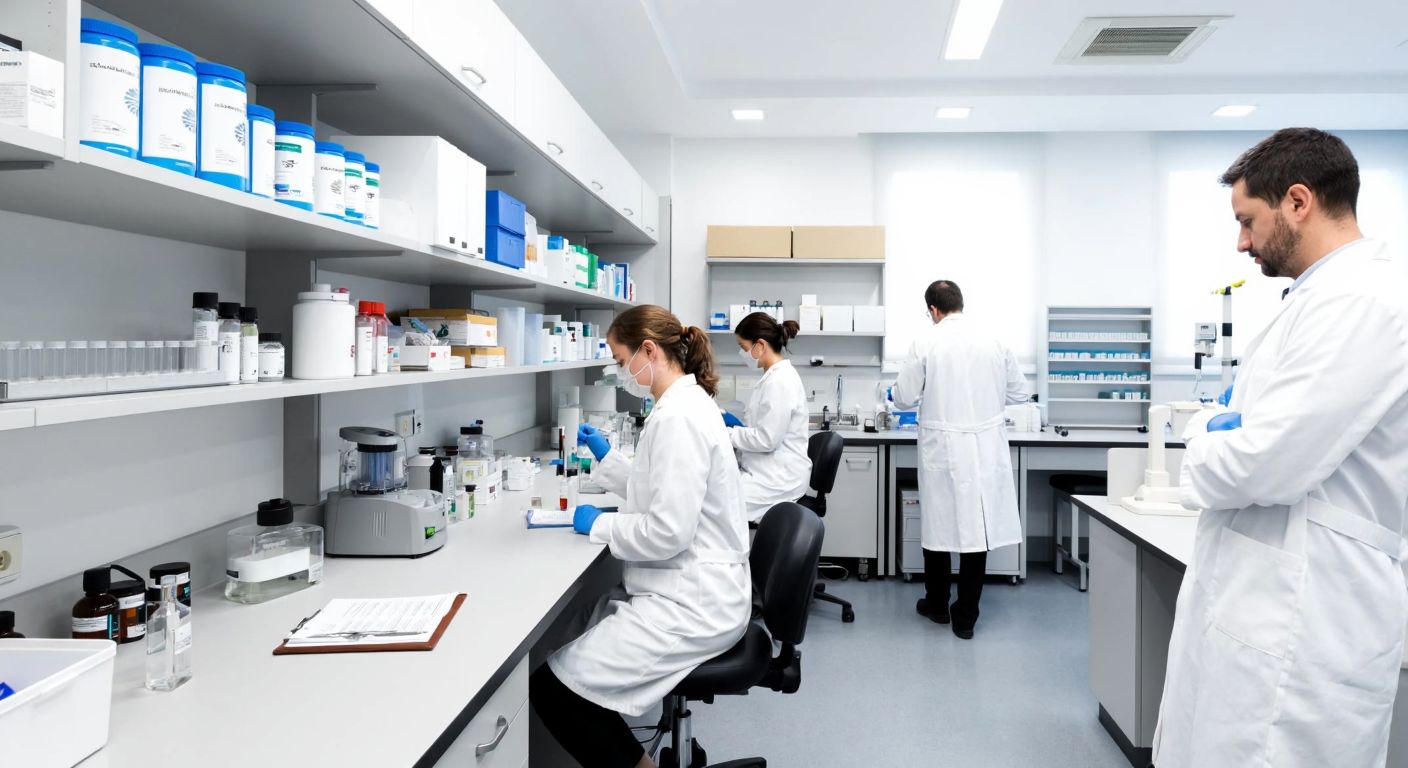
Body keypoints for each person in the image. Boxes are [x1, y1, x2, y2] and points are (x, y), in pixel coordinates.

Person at [1153, 128, 1408, 767]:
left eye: (1247, 221)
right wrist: (1228, 427)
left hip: (1312, 609)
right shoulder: (1320, 298)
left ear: (1298, 201)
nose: (1241, 243)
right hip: (1271, 589)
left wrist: (1201, 435)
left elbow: (1264, 462)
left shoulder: (1362, 302)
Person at [530, 305, 752, 768]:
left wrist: (599, 525)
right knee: (564, 651)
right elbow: (660, 489)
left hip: (693, 602)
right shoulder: (682, 405)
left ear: (648, 350)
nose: (620, 372)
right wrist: (607, 459)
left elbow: (668, 531)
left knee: (555, 690)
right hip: (688, 585)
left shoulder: (678, 417)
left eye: (619, 359)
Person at [891, 280, 1028, 639]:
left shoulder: (926, 341)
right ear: (960, 304)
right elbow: (1020, 392)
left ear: (933, 310)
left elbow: (903, 397)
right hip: (984, 447)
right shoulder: (994, 341)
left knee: (938, 527)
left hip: (944, 446)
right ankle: (966, 618)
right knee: (976, 531)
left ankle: (937, 604)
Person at [722, 312, 812, 522]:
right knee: (717, 492)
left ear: (760, 345)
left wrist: (725, 434)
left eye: (744, 347)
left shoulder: (779, 381)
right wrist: (736, 428)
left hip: (779, 479)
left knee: (718, 503)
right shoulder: (773, 377)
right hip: (769, 469)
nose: (742, 353)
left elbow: (766, 439)